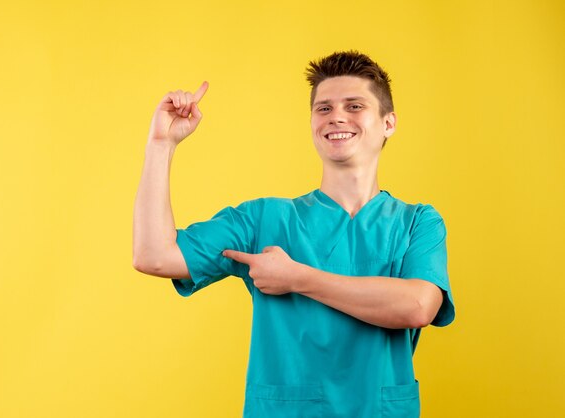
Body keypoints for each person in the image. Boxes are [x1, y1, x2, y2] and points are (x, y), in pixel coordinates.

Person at [133, 50, 455, 417]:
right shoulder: (263, 220)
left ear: (388, 123)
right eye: (324, 108)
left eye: (354, 106)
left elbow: (417, 306)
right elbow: (153, 256)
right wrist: (161, 146)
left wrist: (296, 277)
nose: (336, 116)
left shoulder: (417, 222)